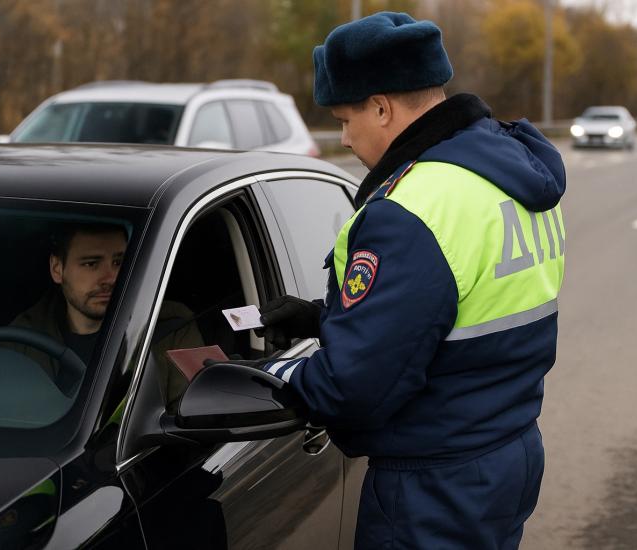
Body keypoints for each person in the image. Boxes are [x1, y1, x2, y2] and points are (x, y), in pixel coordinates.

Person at [236, 12, 565, 549]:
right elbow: (463, 312)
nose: (343, 138)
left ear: (382, 108)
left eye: (346, 120)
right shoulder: (509, 177)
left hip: (433, 485)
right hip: (508, 451)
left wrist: (276, 382)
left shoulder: (413, 208)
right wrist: (323, 319)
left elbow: (355, 387)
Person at [7, 222, 128, 378]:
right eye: (91, 264)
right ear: (57, 268)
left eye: (118, 263)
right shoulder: (20, 343)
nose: (111, 278)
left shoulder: (158, 335)